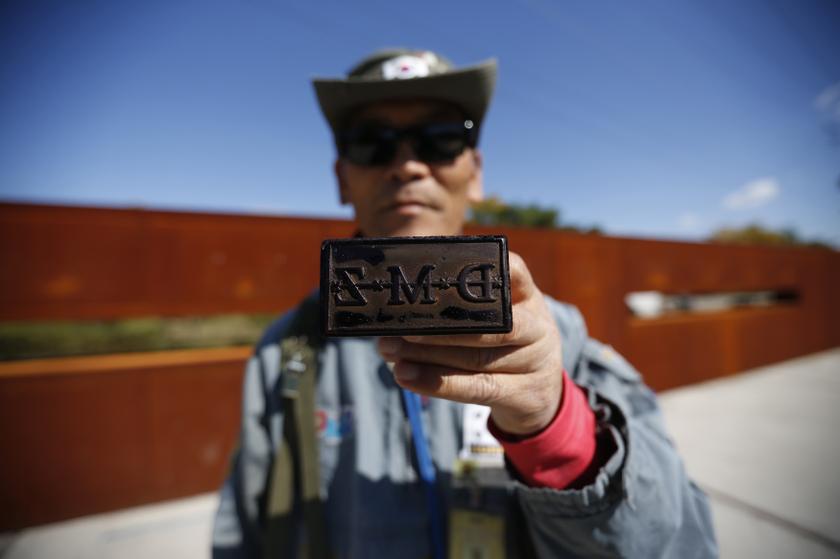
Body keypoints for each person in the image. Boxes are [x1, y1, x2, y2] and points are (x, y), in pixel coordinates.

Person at [212, 49, 718, 558]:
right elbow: (242, 537)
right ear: (343, 178)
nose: (408, 166)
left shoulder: (558, 337)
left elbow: (681, 542)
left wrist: (557, 429)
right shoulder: (286, 354)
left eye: (441, 138)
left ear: (475, 173)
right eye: (371, 142)